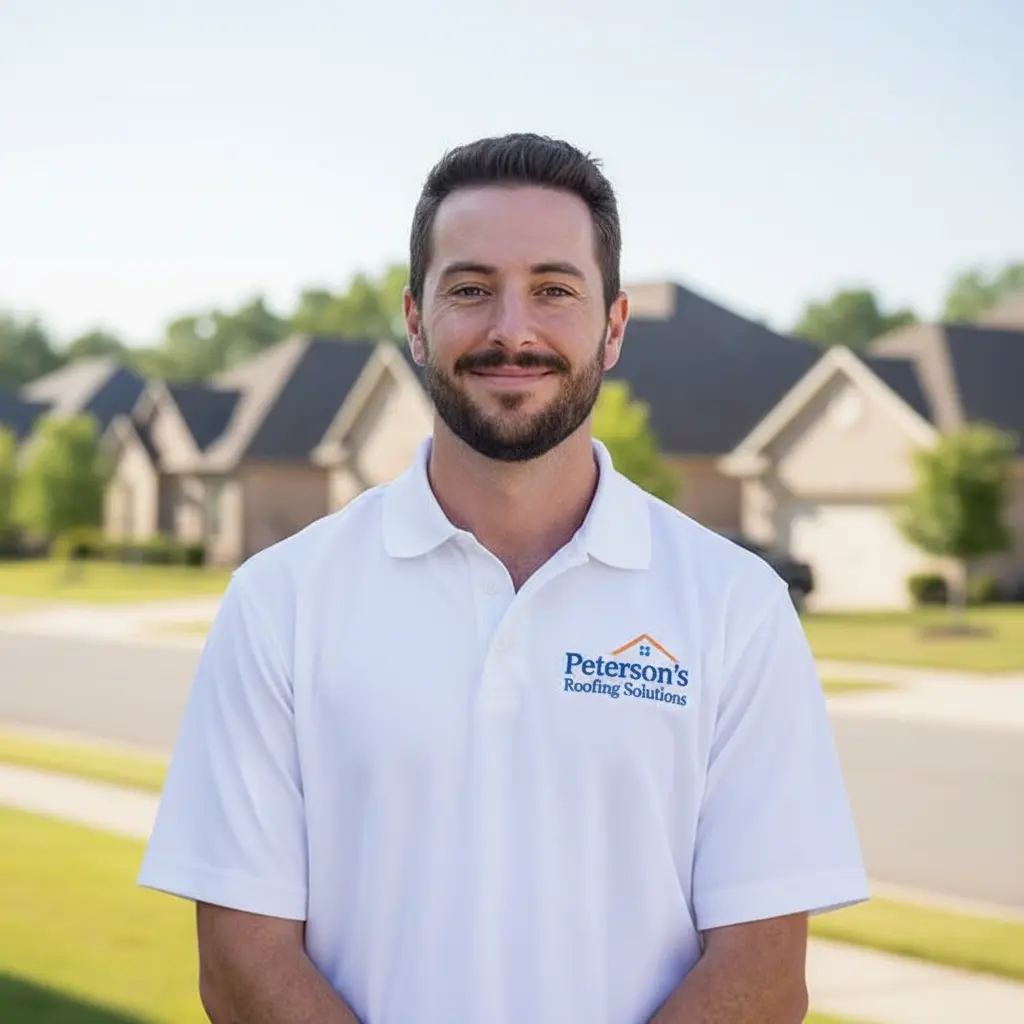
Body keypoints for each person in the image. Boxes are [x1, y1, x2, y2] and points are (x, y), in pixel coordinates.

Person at [138, 133, 868, 1023]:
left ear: (614, 325)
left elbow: (760, 968)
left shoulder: (735, 608)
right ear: (415, 320)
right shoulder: (279, 603)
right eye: (471, 289)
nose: (511, 329)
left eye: (554, 290)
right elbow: (241, 966)